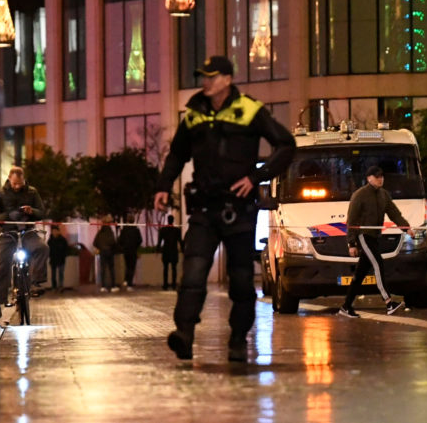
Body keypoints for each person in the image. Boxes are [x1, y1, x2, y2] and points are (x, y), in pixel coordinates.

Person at [153, 55, 296, 363]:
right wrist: (163, 186)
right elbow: (177, 154)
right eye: (203, 76)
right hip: (204, 209)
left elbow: (286, 145)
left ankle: (237, 340)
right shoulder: (194, 115)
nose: (205, 81)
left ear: (228, 79)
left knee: (242, 281)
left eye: (212, 76)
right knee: (192, 273)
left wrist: (256, 177)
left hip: (239, 211)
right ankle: (185, 335)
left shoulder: (249, 110)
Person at [338, 165, 412, 318]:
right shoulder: (359, 195)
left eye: (382, 176)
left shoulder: (384, 195)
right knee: (378, 265)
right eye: (377, 177)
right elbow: (351, 220)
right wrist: (351, 243)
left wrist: (406, 228)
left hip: (374, 237)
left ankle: (346, 306)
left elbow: (394, 214)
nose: (380, 179)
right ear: (369, 178)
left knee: (360, 274)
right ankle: (389, 302)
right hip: (363, 236)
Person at [0, 165, 49, 314]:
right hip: (7, 233)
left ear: (24, 180)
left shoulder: (32, 192)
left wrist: (32, 211)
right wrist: (8, 215)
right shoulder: (0, 194)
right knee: (2, 264)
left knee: (42, 248)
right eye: (14, 184)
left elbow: (42, 212)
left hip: (27, 231)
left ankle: (36, 283)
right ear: (9, 180)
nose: (17, 186)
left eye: (20, 183)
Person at [157, 215, 183, 290]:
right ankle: (174, 285)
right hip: (174, 251)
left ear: (167, 220)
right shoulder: (177, 230)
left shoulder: (163, 230)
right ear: (173, 220)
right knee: (174, 269)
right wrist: (182, 249)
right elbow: (180, 241)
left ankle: (165, 285)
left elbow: (159, 241)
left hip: (166, 251)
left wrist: (157, 249)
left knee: (165, 269)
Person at [93, 217, 117, 292]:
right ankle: (113, 286)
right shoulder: (110, 232)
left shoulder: (100, 233)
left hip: (102, 252)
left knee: (103, 269)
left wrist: (100, 247)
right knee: (111, 269)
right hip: (110, 252)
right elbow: (113, 242)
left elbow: (95, 243)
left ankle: (103, 286)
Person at [117, 220, 143, 291]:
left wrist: (123, 247)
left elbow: (120, 241)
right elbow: (140, 240)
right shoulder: (136, 230)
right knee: (132, 267)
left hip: (126, 251)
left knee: (127, 266)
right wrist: (136, 246)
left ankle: (126, 280)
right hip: (133, 251)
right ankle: (129, 284)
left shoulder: (124, 230)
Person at [47, 225, 69, 293]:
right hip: (53, 259)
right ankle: (54, 287)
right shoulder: (50, 240)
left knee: (60, 273)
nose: (54, 232)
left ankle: (60, 286)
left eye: (55, 231)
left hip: (61, 259)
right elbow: (48, 249)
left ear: (58, 231)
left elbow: (66, 249)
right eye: (53, 231)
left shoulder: (63, 240)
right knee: (53, 274)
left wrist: (64, 256)